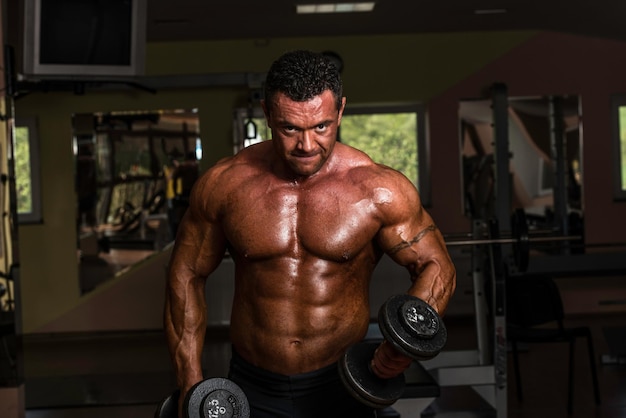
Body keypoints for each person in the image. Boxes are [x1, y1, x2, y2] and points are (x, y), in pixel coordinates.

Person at [164, 50, 456, 417]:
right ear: (267, 114)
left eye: (321, 126)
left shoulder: (378, 190)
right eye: (289, 128)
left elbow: (436, 264)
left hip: (345, 383)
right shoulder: (225, 186)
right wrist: (190, 383)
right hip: (252, 385)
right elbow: (186, 274)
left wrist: (405, 344)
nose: (306, 145)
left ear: (341, 111)